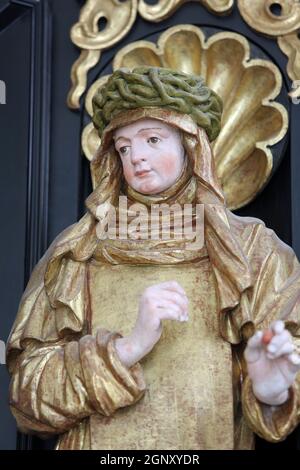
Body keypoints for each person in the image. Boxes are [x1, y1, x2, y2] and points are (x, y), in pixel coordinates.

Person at [6, 67, 300, 450]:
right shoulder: (76, 251)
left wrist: (273, 390)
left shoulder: (253, 249)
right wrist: (125, 350)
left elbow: (289, 355)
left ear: (190, 147)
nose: (137, 158)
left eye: (153, 139)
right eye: (124, 147)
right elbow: (27, 395)